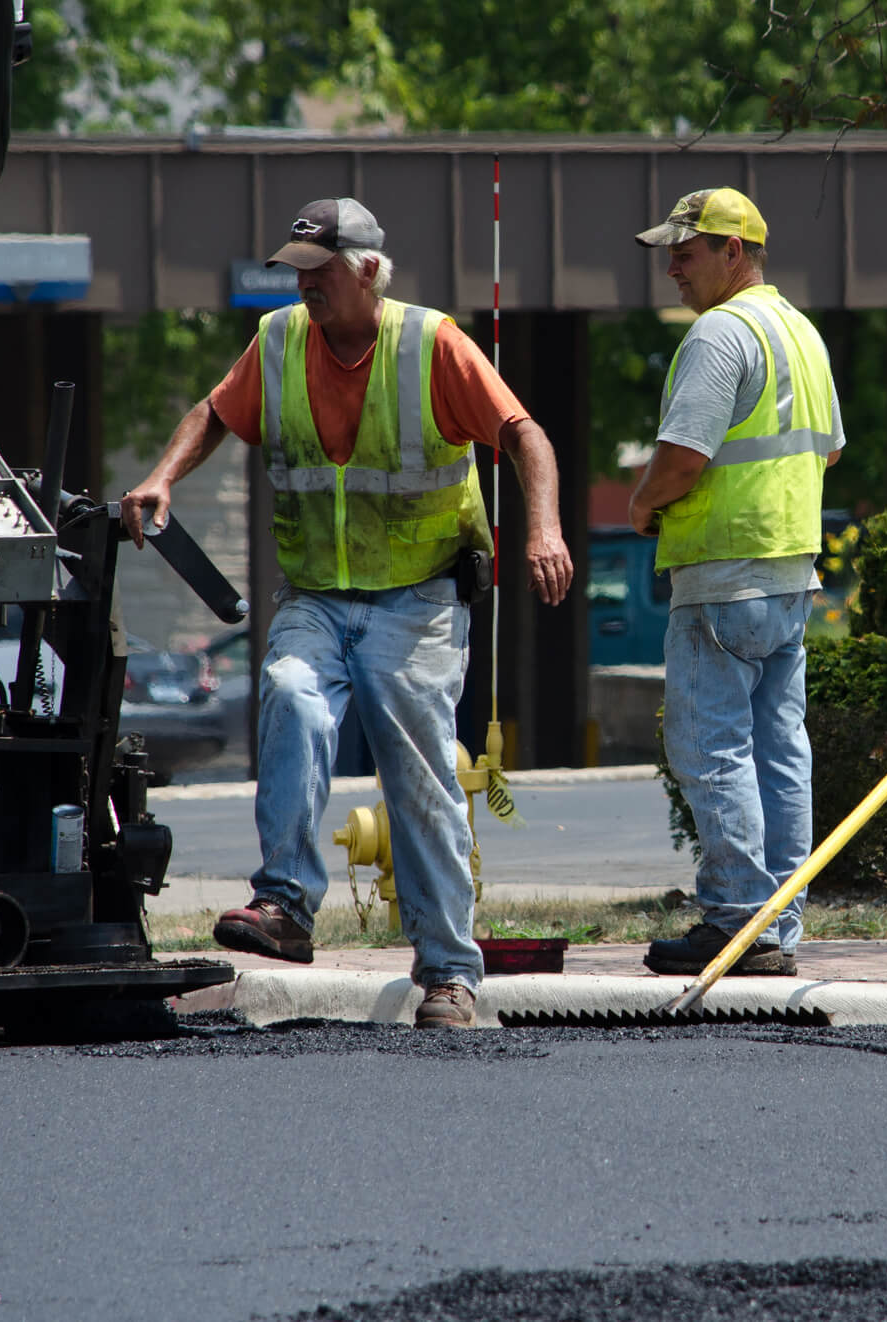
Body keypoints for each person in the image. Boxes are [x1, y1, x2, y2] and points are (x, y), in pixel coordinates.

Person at [120, 197, 573, 1029]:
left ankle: (448, 975)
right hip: (317, 598)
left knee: (422, 775)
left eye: (319, 273)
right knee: (289, 694)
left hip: (419, 600)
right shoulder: (280, 340)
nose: (305, 289)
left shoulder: (430, 342)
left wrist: (542, 527)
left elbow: (524, 434)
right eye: (296, 274)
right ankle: (286, 905)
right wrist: (163, 476)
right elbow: (217, 413)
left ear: (367, 270)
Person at [628, 187, 844, 977]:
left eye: (686, 254)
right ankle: (777, 927)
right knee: (781, 751)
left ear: (734, 251)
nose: (673, 271)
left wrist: (643, 503)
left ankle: (734, 918)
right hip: (788, 572)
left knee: (711, 746)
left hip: (723, 573)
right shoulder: (800, 331)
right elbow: (828, 452)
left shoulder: (720, 336)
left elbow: (684, 456)